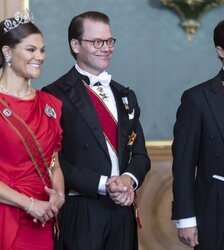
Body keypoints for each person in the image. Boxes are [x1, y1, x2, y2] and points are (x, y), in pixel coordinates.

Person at [43, 11, 150, 250]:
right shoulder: (53, 95)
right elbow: (53, 161)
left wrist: (127, 180)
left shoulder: (125, 95)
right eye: (97, 42)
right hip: (82, 209)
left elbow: (141, 154)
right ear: (75, 45)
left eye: (110, 41)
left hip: (123, 208)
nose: (106, 48)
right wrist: (104, 184)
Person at [171, 16, 224, 250]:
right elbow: (184, 164)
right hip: (216, 205)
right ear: (221, 51)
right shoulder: (197, 99)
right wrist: (185, 219)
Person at [0, 10, 65, 250]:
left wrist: (59, 192)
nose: (40, 56)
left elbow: (53, 162)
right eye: (31, 49)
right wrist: (28, 204)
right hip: (6, 214)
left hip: (42, 217)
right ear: (7, 52)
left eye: (42, 50)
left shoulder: (50, 104)